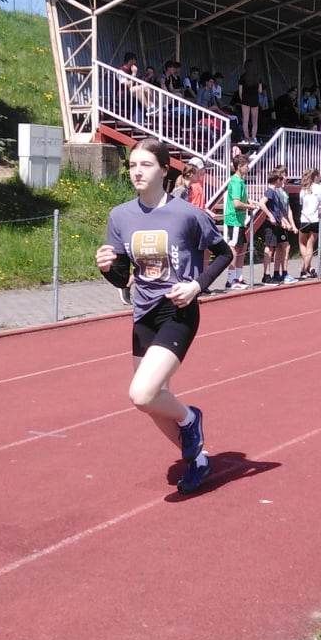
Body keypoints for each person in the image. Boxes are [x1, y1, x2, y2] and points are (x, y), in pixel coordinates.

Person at [96, 138, 232, 494]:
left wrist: (196, 286)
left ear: (164, 169)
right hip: (143, 313)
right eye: (132, 166)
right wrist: (107, 268)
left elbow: (224, 253)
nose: (137, 172)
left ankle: (190, 418)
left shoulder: (187, 214)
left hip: (178, 309)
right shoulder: (120, 216)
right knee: (155, 403)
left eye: (146, 165)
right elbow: (122, 276)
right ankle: (198, 459)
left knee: (142, 394)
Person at [256, 165, 298, 283]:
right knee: (269, 249)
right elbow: (261, 203)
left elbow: (279, 211)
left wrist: (286, 223)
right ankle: (266, 276)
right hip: (270, 225)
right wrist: (270, 216)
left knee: (277, 247)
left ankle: (275, 274)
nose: (283, 181)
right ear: (277, 180)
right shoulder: (270, 191)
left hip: (277, 224)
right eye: (281, 179)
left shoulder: (275, 192)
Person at [221, 150, 252, 290]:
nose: (248, 167)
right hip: (234, 219)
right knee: (233, 248)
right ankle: (230, 280)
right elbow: (236, 203)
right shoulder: (235, 181)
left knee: (242, 247)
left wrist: (251, 203)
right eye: (246, 165)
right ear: (239, 166)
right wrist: (249, 206)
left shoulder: (240, 181)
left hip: (240, 220)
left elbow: (242, 200)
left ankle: (238, 277)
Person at [238, 69, 261, 144]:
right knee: (255, 121)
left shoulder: (243, 77)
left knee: (245, 120)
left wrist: (242, 100)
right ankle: (253, 138)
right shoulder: (258, 77)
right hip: (254, 99)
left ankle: (246, 138)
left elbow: (240, 92)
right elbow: (260, 90)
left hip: (245, 99)